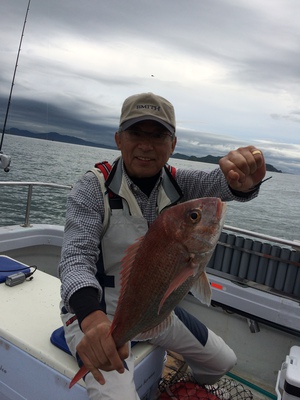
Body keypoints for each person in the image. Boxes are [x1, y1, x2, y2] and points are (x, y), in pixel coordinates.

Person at [58, 92, 266, 399]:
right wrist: (91, 317)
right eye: (135, 133)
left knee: (223, 361)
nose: (146, 144)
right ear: (118, 139)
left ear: (173, 145)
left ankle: (177, 389)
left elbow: (222, 185)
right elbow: (76, 257)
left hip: (156, 307)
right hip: (99, 315)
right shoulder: (93, 187)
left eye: (158, 135)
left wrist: (244, 182)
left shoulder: (182, 183)